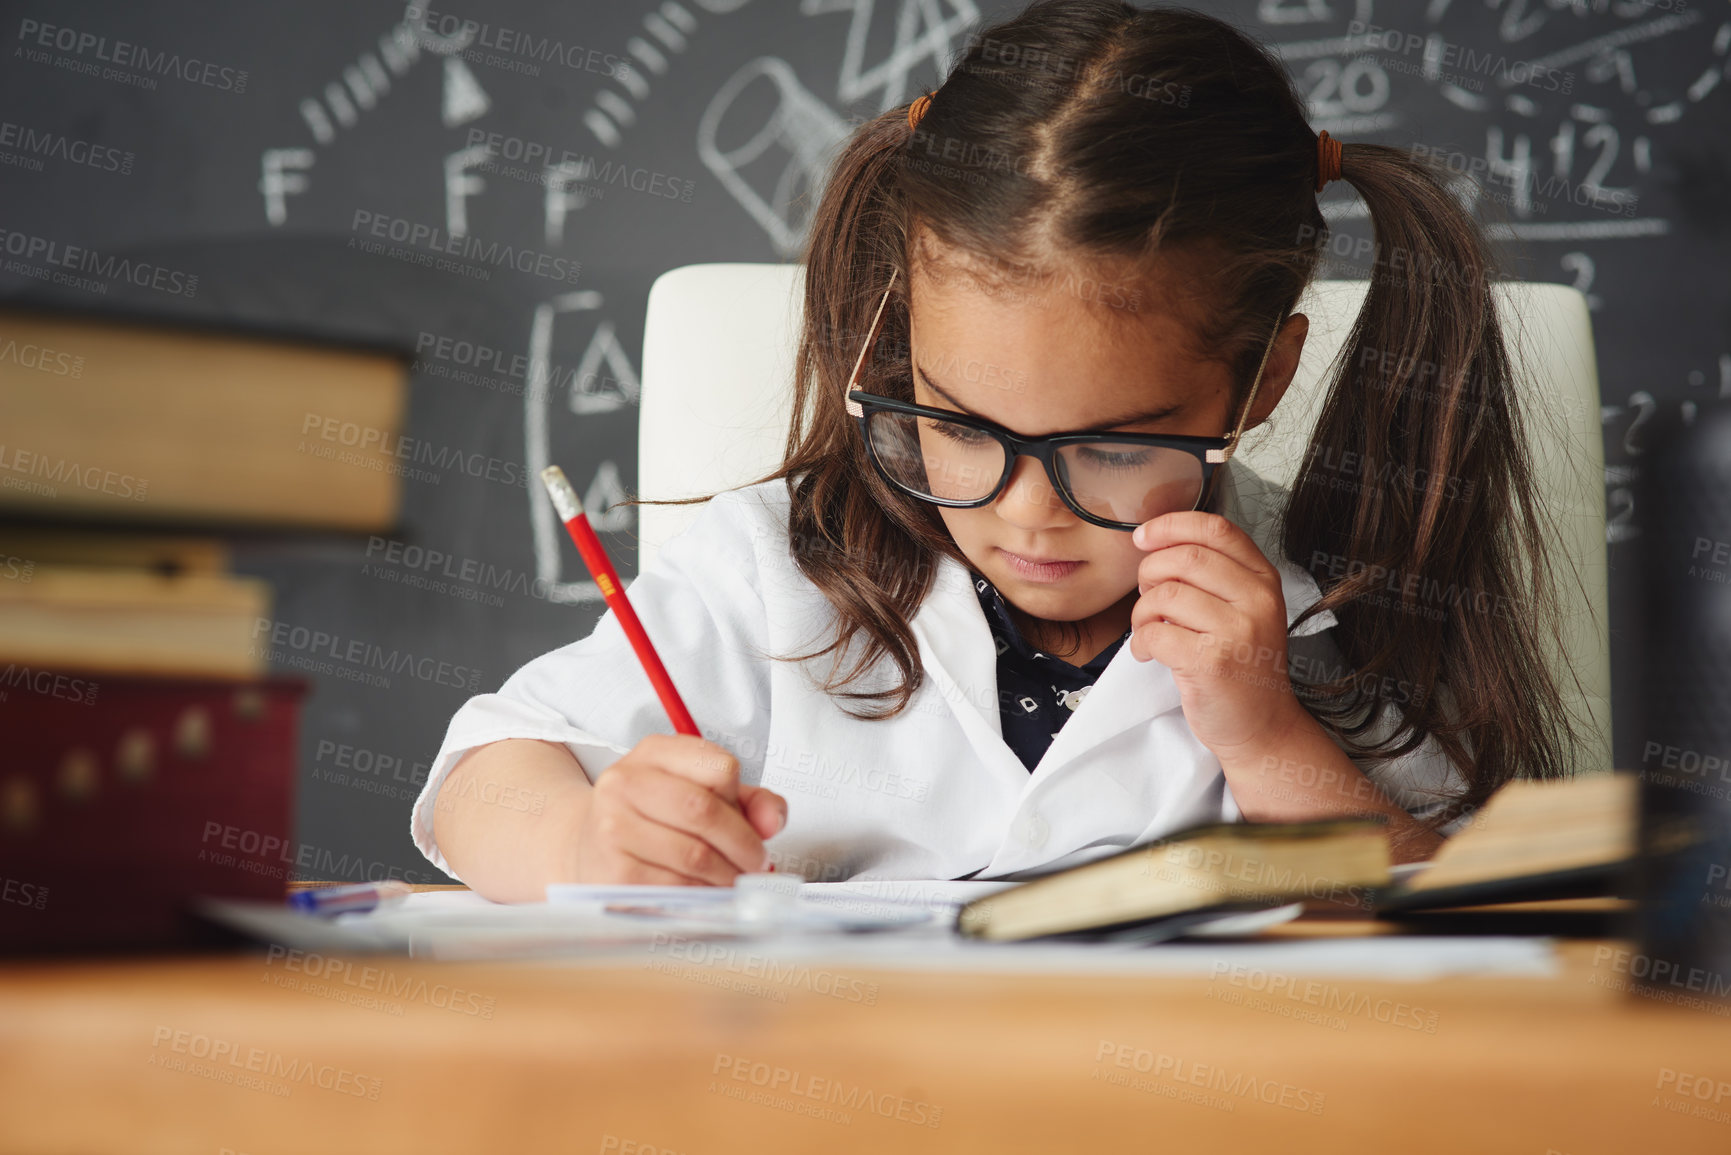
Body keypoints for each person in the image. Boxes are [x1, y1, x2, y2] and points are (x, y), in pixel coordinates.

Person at [415, 0, 1584, 902]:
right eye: (961, 426)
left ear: (1261, 380)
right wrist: (587, 837)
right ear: (902, 340)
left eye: (1113, 447)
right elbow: (483, 776)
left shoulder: (1325, 605)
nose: (1026, 514)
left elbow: (1465, 923)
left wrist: (1268, 737)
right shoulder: (773, 565)